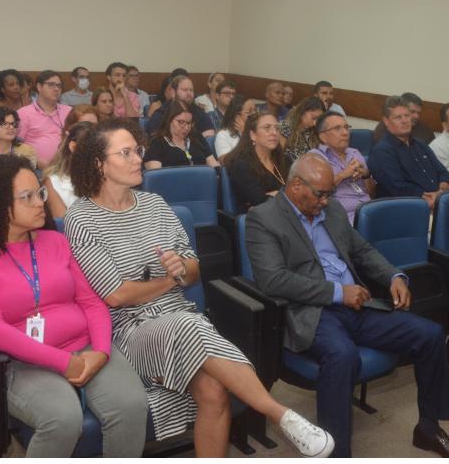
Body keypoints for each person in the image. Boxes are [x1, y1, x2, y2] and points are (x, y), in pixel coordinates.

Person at [65, 119, 333, 457]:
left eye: (137, 150)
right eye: (126, 153)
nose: (137, 159)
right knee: (189, 323)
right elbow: (116, 295)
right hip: (130, 331)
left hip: (178, 317)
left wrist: (181, 268)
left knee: (213, 390)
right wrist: (170, 280)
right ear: (99, 164)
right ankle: (280, 414)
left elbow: (194, 269)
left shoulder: (155, 205)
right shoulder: (82, 218)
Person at [245, 153, 449, 458]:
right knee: (342, 355)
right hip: (311, 312)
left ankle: (428, 429)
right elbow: (273, 280)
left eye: (329, 194)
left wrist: (393, 275)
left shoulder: (332, 210)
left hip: (357, 305)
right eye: (320, 194)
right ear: (296, 185)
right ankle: (336, 453)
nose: (326, 201)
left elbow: (362, 250)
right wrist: (338, 292)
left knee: (430, 334)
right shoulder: (264, 219)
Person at [0, 154, 147, 457]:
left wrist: (101, 351)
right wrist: (63, 362)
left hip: (85, 347)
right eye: (27, 197)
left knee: (131, 405)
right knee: (62, 419)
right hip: (23, 362)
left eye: (39, 193)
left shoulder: (55, 241)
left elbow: (92, 302)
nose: (41, 202)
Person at [368, 96, 449, 208]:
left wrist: (441, 192)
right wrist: (429, 198)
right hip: (406, 208)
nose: (404, 121)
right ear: (386, 121)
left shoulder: (420, 144)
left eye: (407, 116)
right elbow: (397, 188)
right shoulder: (382, 151)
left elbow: (442, 172)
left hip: (437, 201)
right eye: (398, 117)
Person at [311, 112, 371, 223]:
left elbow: (371, 193)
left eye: (346, 127)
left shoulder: (355, 153)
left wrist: (366, 175)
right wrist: (343, 175)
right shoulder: (315, 157)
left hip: (368, 210)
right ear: (323, 136)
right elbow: (315, 193)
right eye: (337, 128)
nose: (345, 133)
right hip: (341, 218)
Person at [223, 112, 289, 213]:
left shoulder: (284, 159)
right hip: (260, 219)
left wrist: (275, 194)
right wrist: (288, 195)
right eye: (267, 128)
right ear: (253, 135)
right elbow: (260, 201)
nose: (274, 132)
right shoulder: (242, 165)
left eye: (277, 128)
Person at [17, 71, 73, 169]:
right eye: (51, 85)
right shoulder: (23, 113)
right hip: (36, 169)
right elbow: (16, 145)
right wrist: (35, 161)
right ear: (39, 87)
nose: (56, 89)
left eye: (59, 85)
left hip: (67, 167)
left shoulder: (69, 111)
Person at [142, 102, 219, 170]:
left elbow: (213, 166)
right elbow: (155, 175)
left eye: (189, 123)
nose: (186, 128)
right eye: (181, 122)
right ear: (169, 120)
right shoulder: (157, 142)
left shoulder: (197, 137)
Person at [44, 122, 93, 218]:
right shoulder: (53, 182)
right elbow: (63, 222)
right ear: (73, 147)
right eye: (93, 148)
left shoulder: (109, 176)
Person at [145, 75, 213, 138]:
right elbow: (154, 135)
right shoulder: (162, 112)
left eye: (191, 90)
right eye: (185, 90)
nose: (189, 93)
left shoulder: (198, 111)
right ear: (173, 93)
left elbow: (209, 133)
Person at [279, 97, 325, 163]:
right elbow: (279, 157)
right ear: (302, 112)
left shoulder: (313, 132)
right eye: (313, 118)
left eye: (318, 120)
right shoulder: (285, 127)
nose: (315, 123)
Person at [214, 94, 255, 159]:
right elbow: (225, 161)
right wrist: (245, 135)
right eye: (249, 112)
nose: (254, 114)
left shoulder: (257, 132)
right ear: (236, 116)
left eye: (255, 110)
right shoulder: (223, 135)